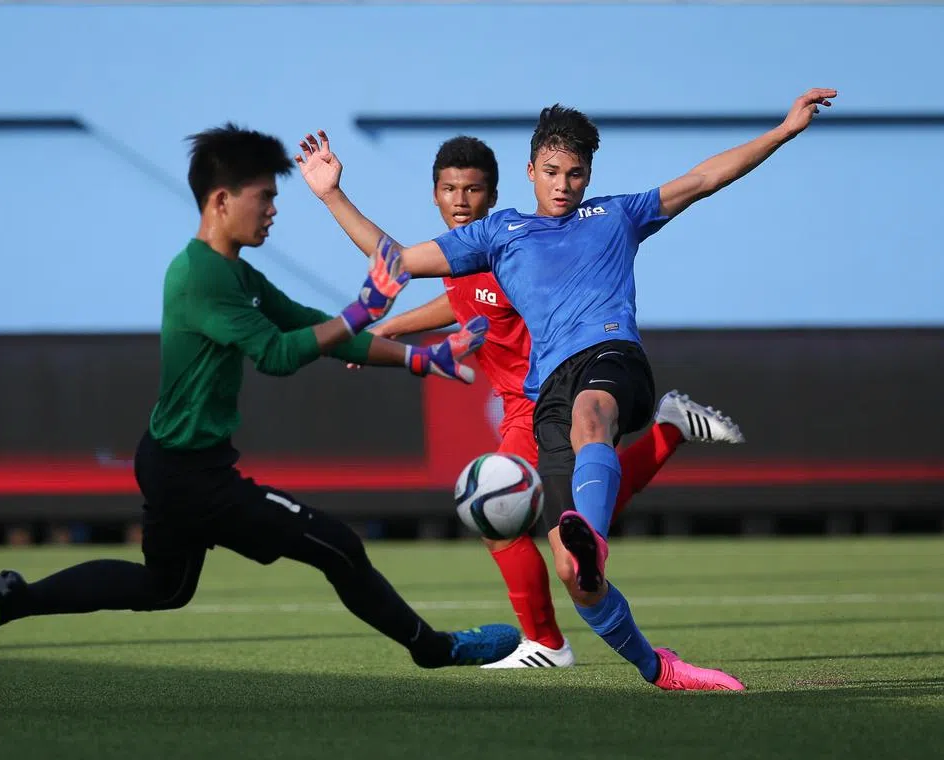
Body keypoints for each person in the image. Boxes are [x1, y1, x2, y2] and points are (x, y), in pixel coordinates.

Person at [298, 88, 838, 690]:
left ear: (589, 176)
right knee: (573, 576)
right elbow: (393, 258)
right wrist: (331, 194)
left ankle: (595, 540)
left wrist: (784, 130)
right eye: (552, 172)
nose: (563, 184)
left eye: (575, 173)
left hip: (610, 359)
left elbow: (704, 177)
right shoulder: (498, 234)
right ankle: (658, 667)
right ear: (531, 171)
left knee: (592, 420)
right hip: (545, 392)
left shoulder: (616, 215)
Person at [0, 123, 523, 669]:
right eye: (262, 197)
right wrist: (367, 307)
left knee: (163, 588)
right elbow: (278, 354)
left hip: (176, 461)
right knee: (336, 547)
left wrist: (419, 355)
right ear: (221, 201)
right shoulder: (200, 278)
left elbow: (310, 327)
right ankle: (434, 649)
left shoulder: (234, 272)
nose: (272, 210)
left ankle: (12, 597)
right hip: (193, 477)